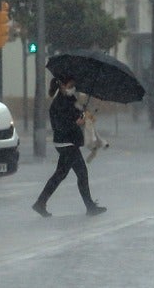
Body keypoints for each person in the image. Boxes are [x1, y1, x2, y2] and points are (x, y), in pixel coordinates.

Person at [31, 76, 105, 217]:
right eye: (70, 85)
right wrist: (75, 123)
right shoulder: (58, 104)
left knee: (62, 174)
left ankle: (40, 203)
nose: (73, 88)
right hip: (66, 143)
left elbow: (76, 114)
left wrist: (83, 115)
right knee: (79, 173)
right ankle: (89, 206)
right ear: (62, 86)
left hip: (70, 142)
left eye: (74, 85)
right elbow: (60, 126)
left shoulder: (70, 100)